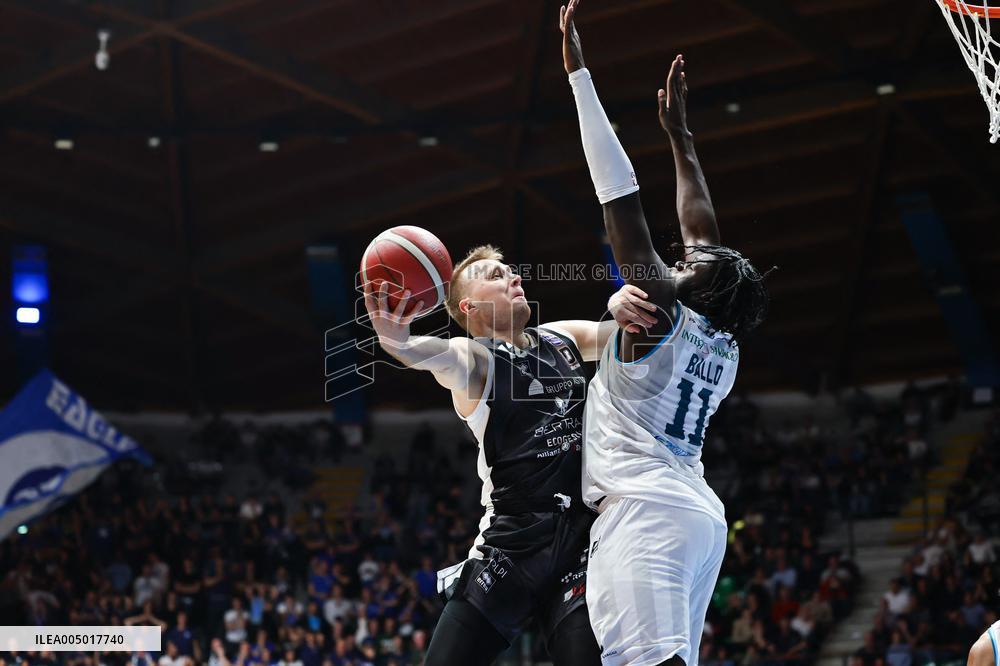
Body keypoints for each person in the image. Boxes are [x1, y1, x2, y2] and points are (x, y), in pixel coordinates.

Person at [561, 1, 772, 664]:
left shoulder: (657, 314)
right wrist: (680, 135)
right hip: (693, 513)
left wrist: (580, 77)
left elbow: (618, 199)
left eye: (688, 263)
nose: (683, 254)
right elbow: (704, 229)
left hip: (648, 510)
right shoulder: (723, 339)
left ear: (696, 289)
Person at [364, 253, 655, 664]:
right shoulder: (475, 359)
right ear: (470, 306)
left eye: (511, 270)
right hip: (511, 549)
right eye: (495, 275)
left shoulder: (561, 337)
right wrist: (401, 342)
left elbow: (639, 335)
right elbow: (436, 356)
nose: (513, 276)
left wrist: (629, 307)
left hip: (582, 545)